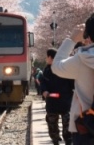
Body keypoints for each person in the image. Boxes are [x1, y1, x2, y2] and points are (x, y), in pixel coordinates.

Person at [51, 14, 94, 144]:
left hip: (87, 128)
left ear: (89, 36)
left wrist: (71, 39)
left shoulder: (83, 59)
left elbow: (56, 66)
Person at [40, 49, 73, 145]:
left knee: (67, 123)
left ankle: (68, 139)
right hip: (52, 102)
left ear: (50, 57)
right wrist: (44, 91)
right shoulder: (47, 70)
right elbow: (43, 82)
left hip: (65, 101)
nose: (46, 59)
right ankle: (55, 139)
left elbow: (72, 84)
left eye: (47, 57)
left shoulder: (65, 68)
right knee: (52, 124)